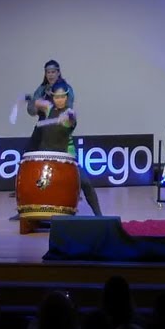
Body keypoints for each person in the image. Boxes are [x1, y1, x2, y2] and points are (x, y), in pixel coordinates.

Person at [32, 81, 102, 215]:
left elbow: (71, 117)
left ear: (67, 97)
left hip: (66, 157)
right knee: (37, 184)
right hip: (47, 157)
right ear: (53, 97)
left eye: (63, 97)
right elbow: (35, 103)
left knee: (85, 183)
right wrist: (28, 98)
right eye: (57, 97)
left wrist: (66, 117)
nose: (60, 100)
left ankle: (99, 215)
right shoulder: (48, 108)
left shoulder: (70, 112)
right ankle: (28, 211)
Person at [9, 59, 74, 152]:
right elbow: (32, 110)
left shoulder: (66, 89)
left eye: (53, 72)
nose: (51, 75)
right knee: (30, 153)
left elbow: (68, 109)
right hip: (42, 127)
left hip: (59, 128)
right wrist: (35, 105)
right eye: (48, 72)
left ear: (58, 73)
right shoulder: (42, 89)